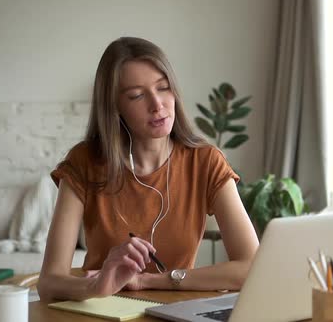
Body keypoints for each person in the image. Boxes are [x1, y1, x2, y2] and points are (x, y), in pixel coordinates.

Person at [38, 37, 259, 301]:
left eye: (163, 88)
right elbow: (49, 282)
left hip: (177, 314)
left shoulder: (206, 161)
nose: (157, 105)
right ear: (114, 107)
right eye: (137, 95)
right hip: (103, 313)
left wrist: (147, 281)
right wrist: (95, 287)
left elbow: (251, 267)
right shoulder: (84, 162)